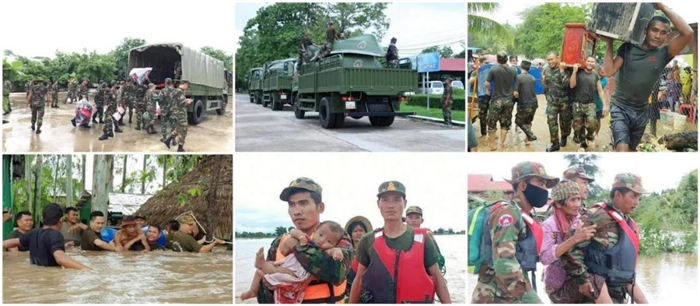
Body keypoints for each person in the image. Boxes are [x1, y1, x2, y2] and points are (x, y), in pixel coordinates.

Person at [602, 4, 693, 152]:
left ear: (667, 36)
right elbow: (608, 71)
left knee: (631, 150)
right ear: (646, 31)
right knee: (622, 149)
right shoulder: (628, 48)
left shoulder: (663, 54)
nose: (658, 36)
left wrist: (662, 6)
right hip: (621, 107)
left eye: (663, 33)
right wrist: (609, 43)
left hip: (641, 111)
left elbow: (688, 33)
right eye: (654, 30)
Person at [471, 162, 559, 303]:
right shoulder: (508, 213)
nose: (544, 190)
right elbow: (504, 262)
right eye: (541, 184)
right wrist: (532, 300)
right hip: (495, 296)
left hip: (513, 295)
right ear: (523, 185)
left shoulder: (527, 216)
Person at [349, 181, 450, 303]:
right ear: (378, 204)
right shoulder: (367, 240)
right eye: (385, 200)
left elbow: (438, 278)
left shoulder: (424, 240)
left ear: (405, 203)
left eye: (396, 200)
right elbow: (359, 280)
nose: (391, 205)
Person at [257, 177, 352, 304]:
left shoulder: (337, 237)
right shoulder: (278, 243)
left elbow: (338, 273)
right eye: (291, 205)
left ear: (320, 207)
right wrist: (270, 286)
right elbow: (263, 297)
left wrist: (298, 246)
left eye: (303, 203)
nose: (296, 211)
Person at [564, 173, 650, 303]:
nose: (637, 202)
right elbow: (569, 247)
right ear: (617, 195)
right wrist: (583, 279)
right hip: (597, 291)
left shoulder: (629, 222)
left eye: (639, 197)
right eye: (633, 196)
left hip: (621, 289)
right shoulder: (597, 215)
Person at [540, 180, 611, 303]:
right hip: (559, 284)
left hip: (578, 275)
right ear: (558, 204)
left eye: (579, 199)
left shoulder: (581, 220)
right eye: (573, 200)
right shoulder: (548, 225)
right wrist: (574, 239)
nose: (578, 204)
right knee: (596, 281)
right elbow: (545, 258)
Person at [241, 221, 346, 303]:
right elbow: (293, 231)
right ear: (316, 231)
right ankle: (253, 290)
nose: (322, 241)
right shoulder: (307, 239)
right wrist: (300, 236)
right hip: (290, 264)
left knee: (275, 271)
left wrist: (337, 252)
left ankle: (262, 265)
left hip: (296, 274)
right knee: (260, 272)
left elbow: (333, 251)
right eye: (321, 235)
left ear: (334, 244)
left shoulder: (326, 250)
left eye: (329, 241)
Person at [2, 204, 89, 269]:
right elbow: (61, 259)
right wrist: (88, 270)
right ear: (61, 220)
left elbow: (7, 243)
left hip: (34, 277)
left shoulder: (33, 233)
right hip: (51, 281)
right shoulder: (56, 235)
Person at [570, 56, 607, 150]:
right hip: (577, 104)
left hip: (590, 104)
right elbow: (572, 85)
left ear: (595, 64)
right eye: (588, 61)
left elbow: (600, 90)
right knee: (578, 126)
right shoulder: (579, 72)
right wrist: (574, 71)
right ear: (585, 62)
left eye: (592, 62)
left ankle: (590, 136)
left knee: (592, 123)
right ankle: (583, 144)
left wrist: (605, 105)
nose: (590, 63)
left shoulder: (595, 75)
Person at [485, 51, 517, 151]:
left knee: (492, 123)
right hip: (508, 101)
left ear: (497, 60)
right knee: (505, 123)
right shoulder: (513, 70)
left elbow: (487, 83)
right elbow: (516, 85)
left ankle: (492, 145)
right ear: (507, 60)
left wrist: (489, 91)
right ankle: (502, 143)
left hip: (496, 100)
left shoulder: (493, 69)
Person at [542, 51, 572, 152]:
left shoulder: (565, 69)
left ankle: (564, 137)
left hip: (564, 102)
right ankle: (555, 143)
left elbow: (566, 85)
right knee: (551, 122)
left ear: (557, 58)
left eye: (552, 59)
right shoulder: (546, 70)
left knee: (565, 122)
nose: (550, 61)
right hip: (552, 102)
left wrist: (562, 71)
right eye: (548, 60)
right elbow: (545, 84)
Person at [404, 205, 447, 275]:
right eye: (410, 217)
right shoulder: (400, 236)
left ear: (422, 220)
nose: (413, 220)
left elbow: (439, 259)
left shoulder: (428, 236)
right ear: (405, 219)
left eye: (417, 218)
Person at [343, 216, 373, 301]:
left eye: (361, 230)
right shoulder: (345, 252)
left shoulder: (371, 252)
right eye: (355, 231)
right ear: (350, 234)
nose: (358, 233)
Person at [163, 80, 193, 152]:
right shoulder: (180, 91)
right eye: (187, 86)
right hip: (181, 114)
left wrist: (185, 100)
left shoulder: (175, 91)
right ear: (185, 84)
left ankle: (168, 140)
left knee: (178, 128)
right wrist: (187, 101)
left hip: (177, 113)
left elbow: (176, 100)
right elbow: (181, 103)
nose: (187, 87)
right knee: (184, 129)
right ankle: (180, 148)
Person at [513, 60, 538, 143]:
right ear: (529, 68)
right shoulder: (533, 78)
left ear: (520, 67)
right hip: (534, 103)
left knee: (518, 121)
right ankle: (527, 140)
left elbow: (516, 93)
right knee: (528, 121)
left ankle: (530, 134)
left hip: (524, 103)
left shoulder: (518, 77)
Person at [593, 67, 608, 139]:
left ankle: (596, 134)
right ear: (598, 71)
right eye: (602, 72)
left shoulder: (605, 80)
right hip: (591, 102)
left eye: (604, 73)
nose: (603, 74)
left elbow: (599, 88)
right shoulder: (592, 76)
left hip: (599, 103)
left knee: (598, 120)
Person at [160, 78, 175, 143]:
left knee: (164, 124)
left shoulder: (163, 90)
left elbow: (160, 99)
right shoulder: (175, 91)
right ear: (171, 83)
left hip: (164, 110)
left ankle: (164, 138)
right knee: (173, 125)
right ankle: (173, 140)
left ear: (165, 83)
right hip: (172, 110)